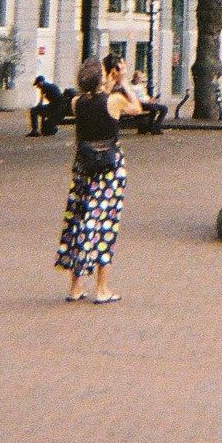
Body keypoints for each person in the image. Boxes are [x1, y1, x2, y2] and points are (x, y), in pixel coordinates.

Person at [56, 56, 143, 304]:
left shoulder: (77, 103)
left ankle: (75, 286)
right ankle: (102, 289)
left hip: (84, 168)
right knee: (105, 225)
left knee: (79, 222)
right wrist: (124, 82)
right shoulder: (113, 101)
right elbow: (136, 108)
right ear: (102, 77)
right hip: (109, 171)